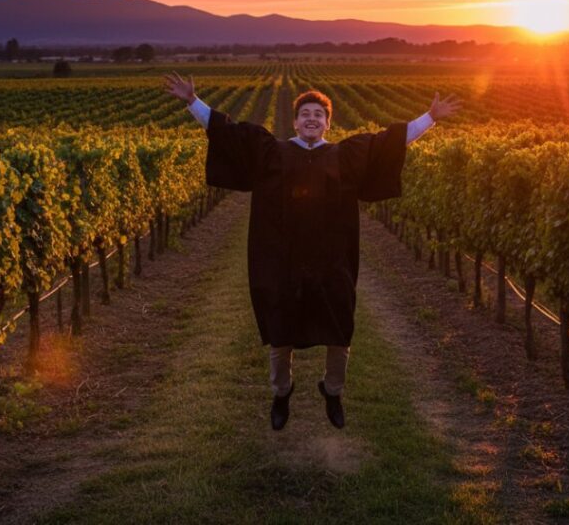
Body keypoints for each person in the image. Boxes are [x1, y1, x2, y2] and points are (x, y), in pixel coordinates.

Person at [164, 72, 458, 430]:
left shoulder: (344, 155)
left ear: (327, 123)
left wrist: (430, 118)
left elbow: (390, 143)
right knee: (281, 329)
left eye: (319, 114)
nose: (312, 119)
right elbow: (227, 133)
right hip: (280, 260)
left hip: (331, 261)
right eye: (306, 114)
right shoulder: (271, 152)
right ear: (296, 120)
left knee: (339, 327)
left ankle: (332, 391)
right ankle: (281, 392)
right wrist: (193, 101)